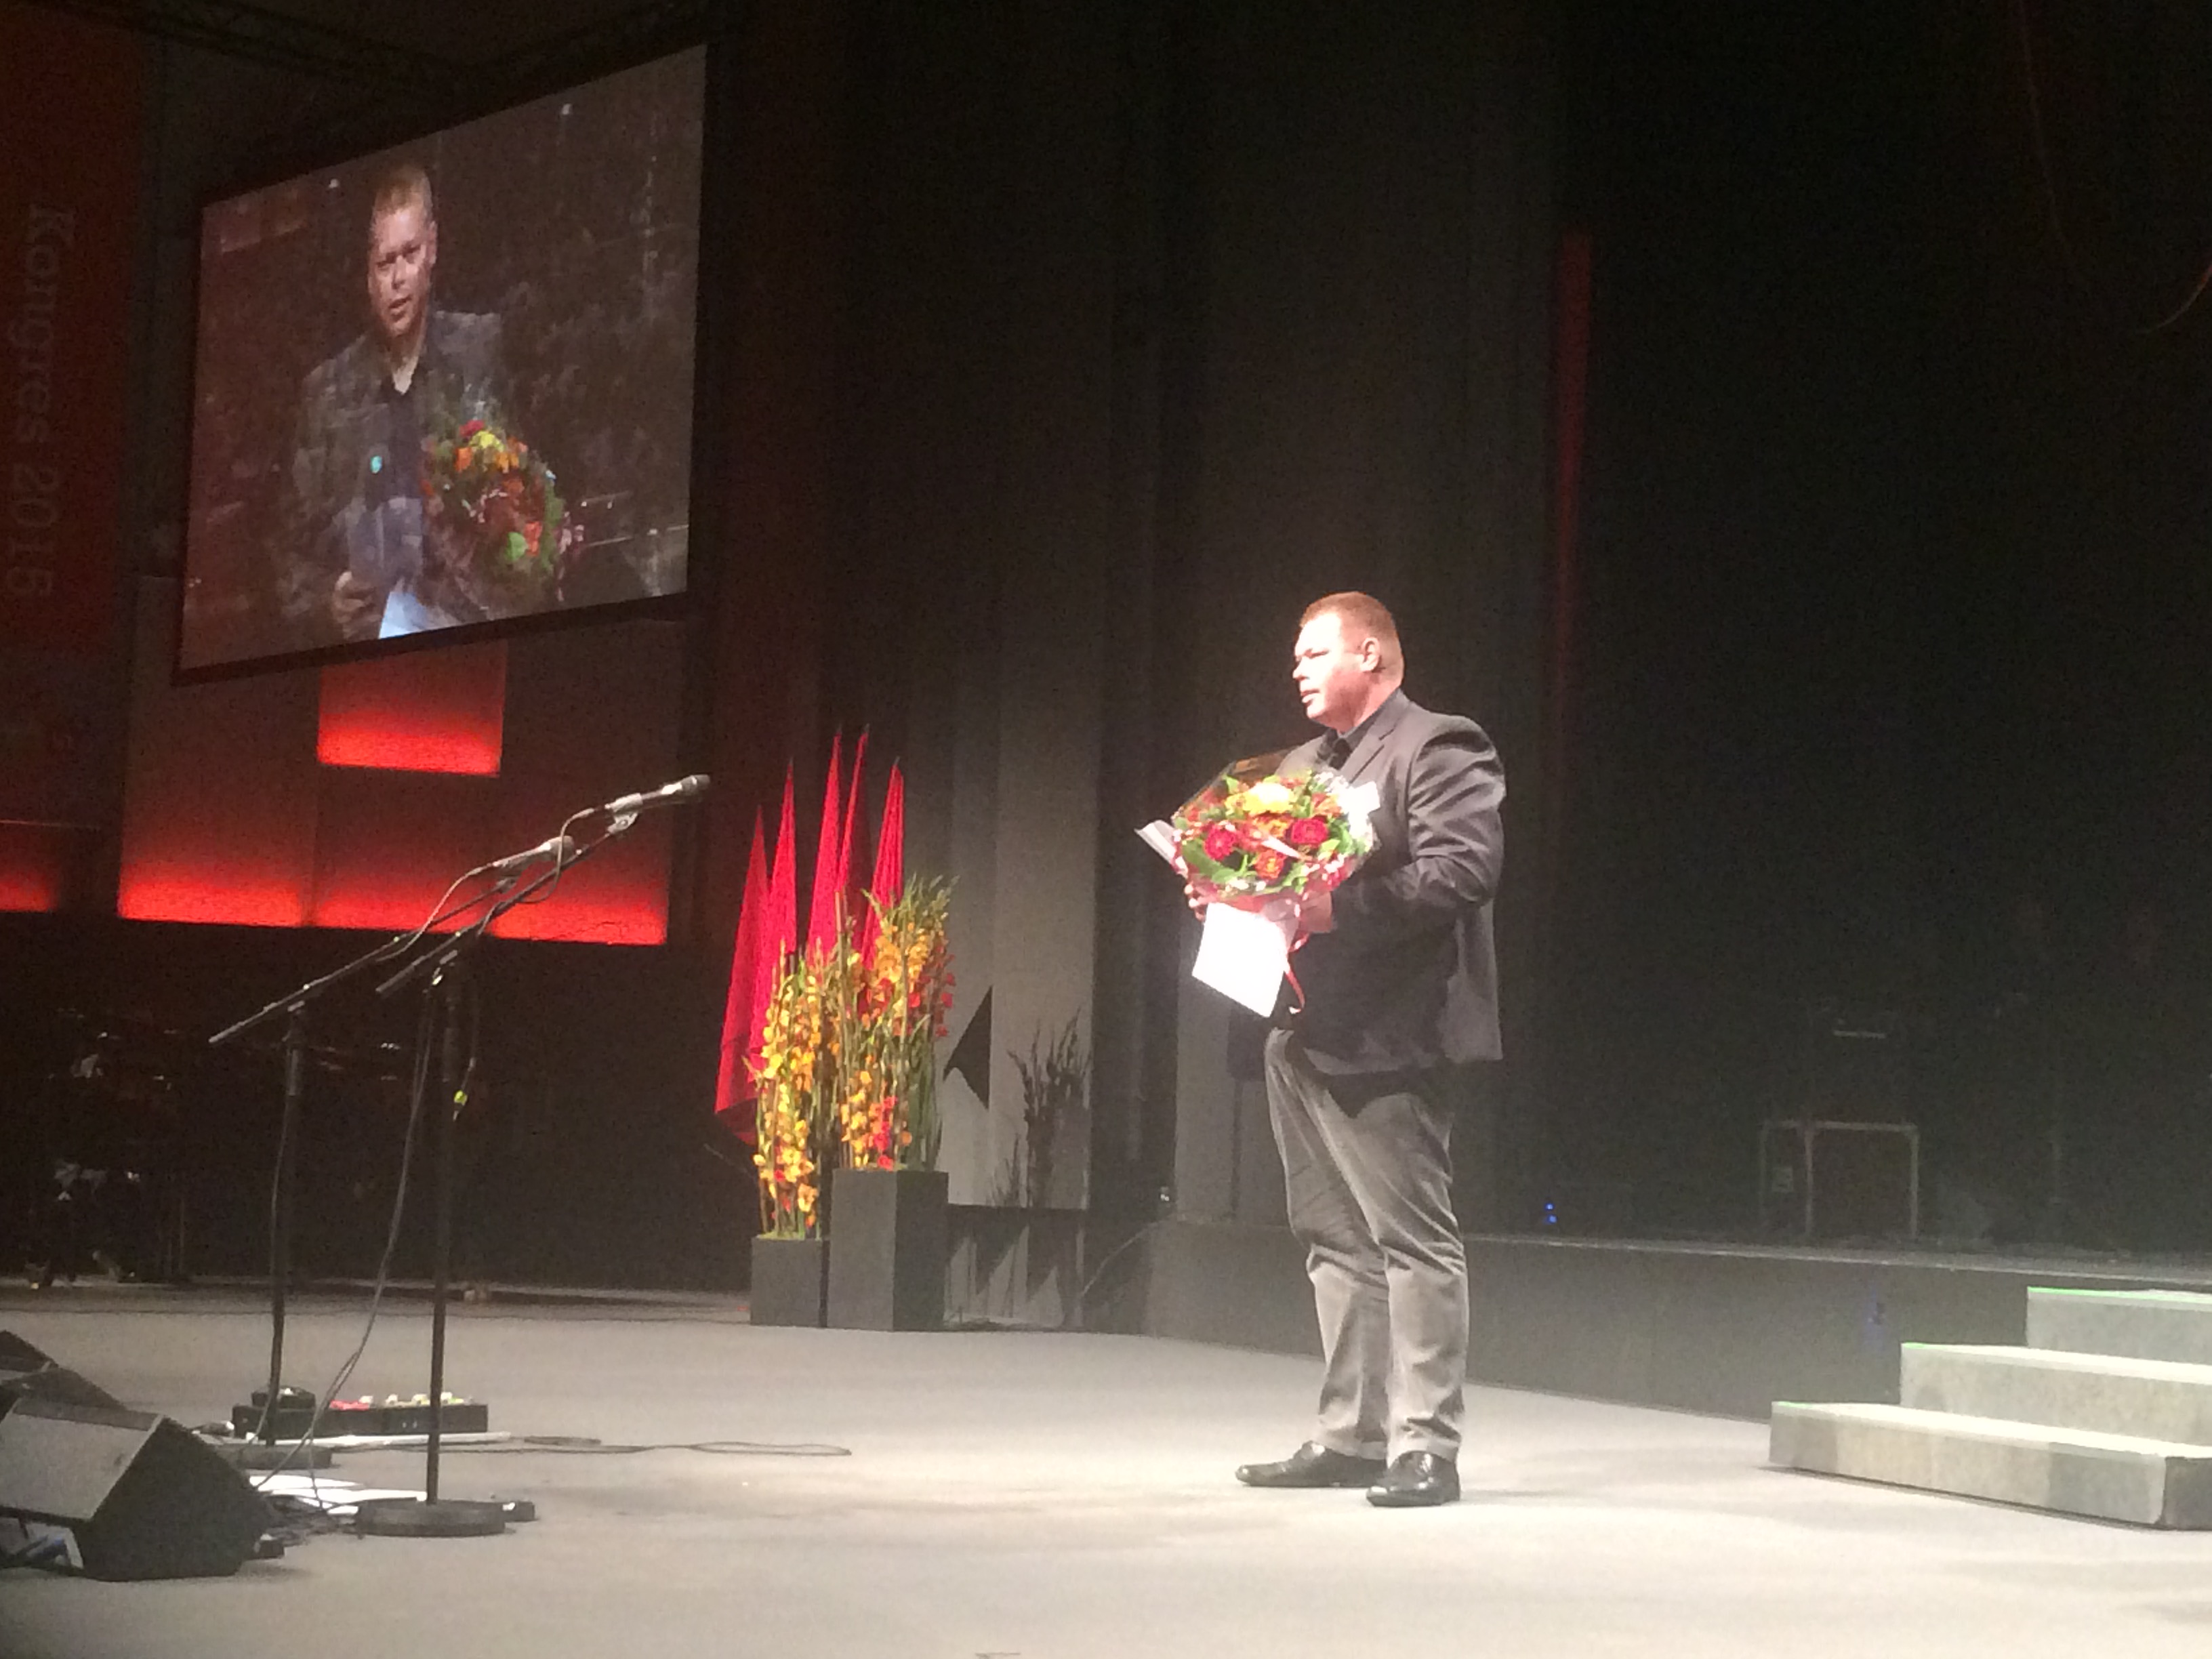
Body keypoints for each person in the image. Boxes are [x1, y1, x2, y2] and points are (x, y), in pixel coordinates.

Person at [1215, 591, 1504, 1508]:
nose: (1296, 668)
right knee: (1332, 1242)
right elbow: (1271, 874)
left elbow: (1463, 870)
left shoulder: (1438, 745)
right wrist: (1228, 886)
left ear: (1371, 655)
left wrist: (1335, 909)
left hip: (1391, 1032)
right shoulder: (1301, 764)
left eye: (1314, 652)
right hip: (1302, 1029)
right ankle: (1350, 1435)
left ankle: (1426, 1446)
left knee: (1412, 1242)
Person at [278, 163, 511, 644]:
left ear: (433, 249)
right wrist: (327, 598)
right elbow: (287, 553)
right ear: (368, 275)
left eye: (410, 255)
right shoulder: (325, 394)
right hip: (364, 653)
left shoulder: (479, 351)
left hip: (471, 642)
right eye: (385, 264)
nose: (398, 278)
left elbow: (522, 504)